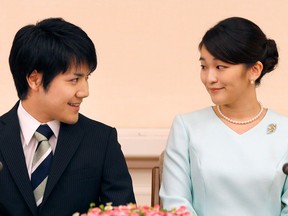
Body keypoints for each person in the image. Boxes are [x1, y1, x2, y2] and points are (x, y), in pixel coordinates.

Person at [0, 18, 135, 216]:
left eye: (86, 78)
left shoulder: (101, 141)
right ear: (34, 80)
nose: (84, 91)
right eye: (74, 80)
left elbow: (123, 212)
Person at [159, 17, 288, 216]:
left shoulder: (284, 131)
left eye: (220, 67)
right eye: (204, 66)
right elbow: (175, 204)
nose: (209, 78)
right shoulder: (187, 127)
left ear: (254, 70)